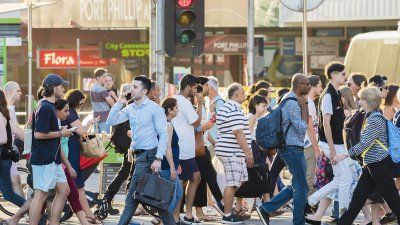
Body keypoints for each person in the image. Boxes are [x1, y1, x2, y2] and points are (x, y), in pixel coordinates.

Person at [107, 76, 172, 225]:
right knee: (155, 198)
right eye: (131, 86)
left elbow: (163, 135)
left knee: (132, 197)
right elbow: (111, 121)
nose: (131, 90)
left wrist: (158, 158)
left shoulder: (155, 109)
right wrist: (119, 103)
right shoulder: (130, 108)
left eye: (135, 87)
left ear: (144, 91)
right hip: (138, 157)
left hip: (149, 156)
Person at [334, 87, 400, 225]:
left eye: (362, 99)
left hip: (380, 164)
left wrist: (344, 155)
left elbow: (365, 143)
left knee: (392, 198)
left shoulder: (376, 119)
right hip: (371, 164)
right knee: (358, 198)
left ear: (369, 101)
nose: (359, 102)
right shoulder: (370, 117)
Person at [305, 62, 361, 224]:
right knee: (346, 179)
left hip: (337, 144)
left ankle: (311, 201)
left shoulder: (335, 93)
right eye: (343, 74)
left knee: (343, 178)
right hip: (332, 144)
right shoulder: (329, 95)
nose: (345, 76)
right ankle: (344, 215)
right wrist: (332, 150)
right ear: (334, 74)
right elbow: (326, 123)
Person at [256, 74, 309, 225]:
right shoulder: (293, 103)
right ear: (299, 85)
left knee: (300, 185)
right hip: (292, 148)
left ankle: (266, 209)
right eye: (306, 84)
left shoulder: (286, 97)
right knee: (301, 187)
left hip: (289, 147)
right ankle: (298, 222)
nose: (308, 87)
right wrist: (304, 108)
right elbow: (301, 128)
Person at [28, 74, 72, 225]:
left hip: (52, 159)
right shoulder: (46, 107)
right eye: (61, 86)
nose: (63, 89)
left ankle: (53, 223)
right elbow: (39, 134)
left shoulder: (49, 105)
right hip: (44, 159)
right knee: (41, 195)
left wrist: (60, 130)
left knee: (64, 190)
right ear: (53, 88)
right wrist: (61, 133)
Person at [215, 83, 254, 224]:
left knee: (240, 179)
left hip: (233, 152)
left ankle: (224, 202)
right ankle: (227, 215)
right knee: (232, 184)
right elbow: (238, 132)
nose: (245, 95)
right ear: (236, 95)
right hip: (232, 152)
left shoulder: (229, 107)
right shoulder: (233, 109)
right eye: (243, 93)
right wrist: (248, 153)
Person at [62, 89, 101, 224]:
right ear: (75, 100)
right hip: (71, 151)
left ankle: (87, 215)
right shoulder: (71, 113)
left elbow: (80, 132)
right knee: (78, 185)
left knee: (74, 185)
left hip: (69, 149)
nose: (82, 105)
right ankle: (89, 215)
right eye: (81, 103)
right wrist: (89, 125)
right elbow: (82, 132)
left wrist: (88, 125)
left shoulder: (68, 112)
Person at [171, 74, 203, 224]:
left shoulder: (179, 100)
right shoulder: (183, 101)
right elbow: (196, 122)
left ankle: (186, 214)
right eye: (195, 87)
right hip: (182, 149)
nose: (196, 90)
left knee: (195, 177)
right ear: (189, 87)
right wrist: (201, 103)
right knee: (183, 182)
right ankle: (177, 217)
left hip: (184, 149)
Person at [193, 76, 224, 222]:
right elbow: (197, 127)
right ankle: (221, 204)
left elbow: (206, 128)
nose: (208, 89)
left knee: (207, 178)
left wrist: (214, 142)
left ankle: (207, 209)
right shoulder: (195, 102)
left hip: (203, 146)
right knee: (206, 177)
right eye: (206, 85)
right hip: (197, 148)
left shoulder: (203, 103)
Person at [103, 84, 135, 215]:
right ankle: (109, 199)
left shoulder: (126, 106)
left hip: (128, 144)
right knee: (128, 171)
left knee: (127, 171)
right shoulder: (128, 107)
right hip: (129, 145)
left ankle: (108, 198)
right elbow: (111, 123)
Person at [154, 97, 183, 225]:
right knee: (171, 197)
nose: (178, 110)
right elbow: (167, 148)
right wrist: (172, 167)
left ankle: (161, 218)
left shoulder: (165, 122)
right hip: (166, 166)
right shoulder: (168, 124)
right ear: (170, 110)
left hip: (170, 164)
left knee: (178, 194)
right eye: (176, 107)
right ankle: (164, 220)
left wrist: (177, 164)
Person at [4, 81, 25, 197]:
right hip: (6, 150)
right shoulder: (9, 109)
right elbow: (15, 130)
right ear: (12, 92)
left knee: (16, 179)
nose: (21, 93)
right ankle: (27, 211)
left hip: (9, 150)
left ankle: (26, 211)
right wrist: (31, 143)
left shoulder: (9, 108)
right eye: (18, 90)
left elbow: (15, 129)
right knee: (15, 179)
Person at [304, 75, 323, 196]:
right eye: (320, 85)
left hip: (309, 144)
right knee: (309, 179)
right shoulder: (309, 103)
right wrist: (316, 149)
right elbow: (310, 128)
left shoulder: (309, 102)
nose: (322, 88)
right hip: (309, 145)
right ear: (312, 87)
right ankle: (306, 208)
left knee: (307, 179)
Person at [89, 68, 115, 133]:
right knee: (106, 140)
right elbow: (112, 103)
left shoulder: (92, 88)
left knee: (98, 140)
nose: (105, 79)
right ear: (98, 77)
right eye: (103, 77)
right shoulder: (102, 89)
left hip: (96, 117)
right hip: (104, 117)